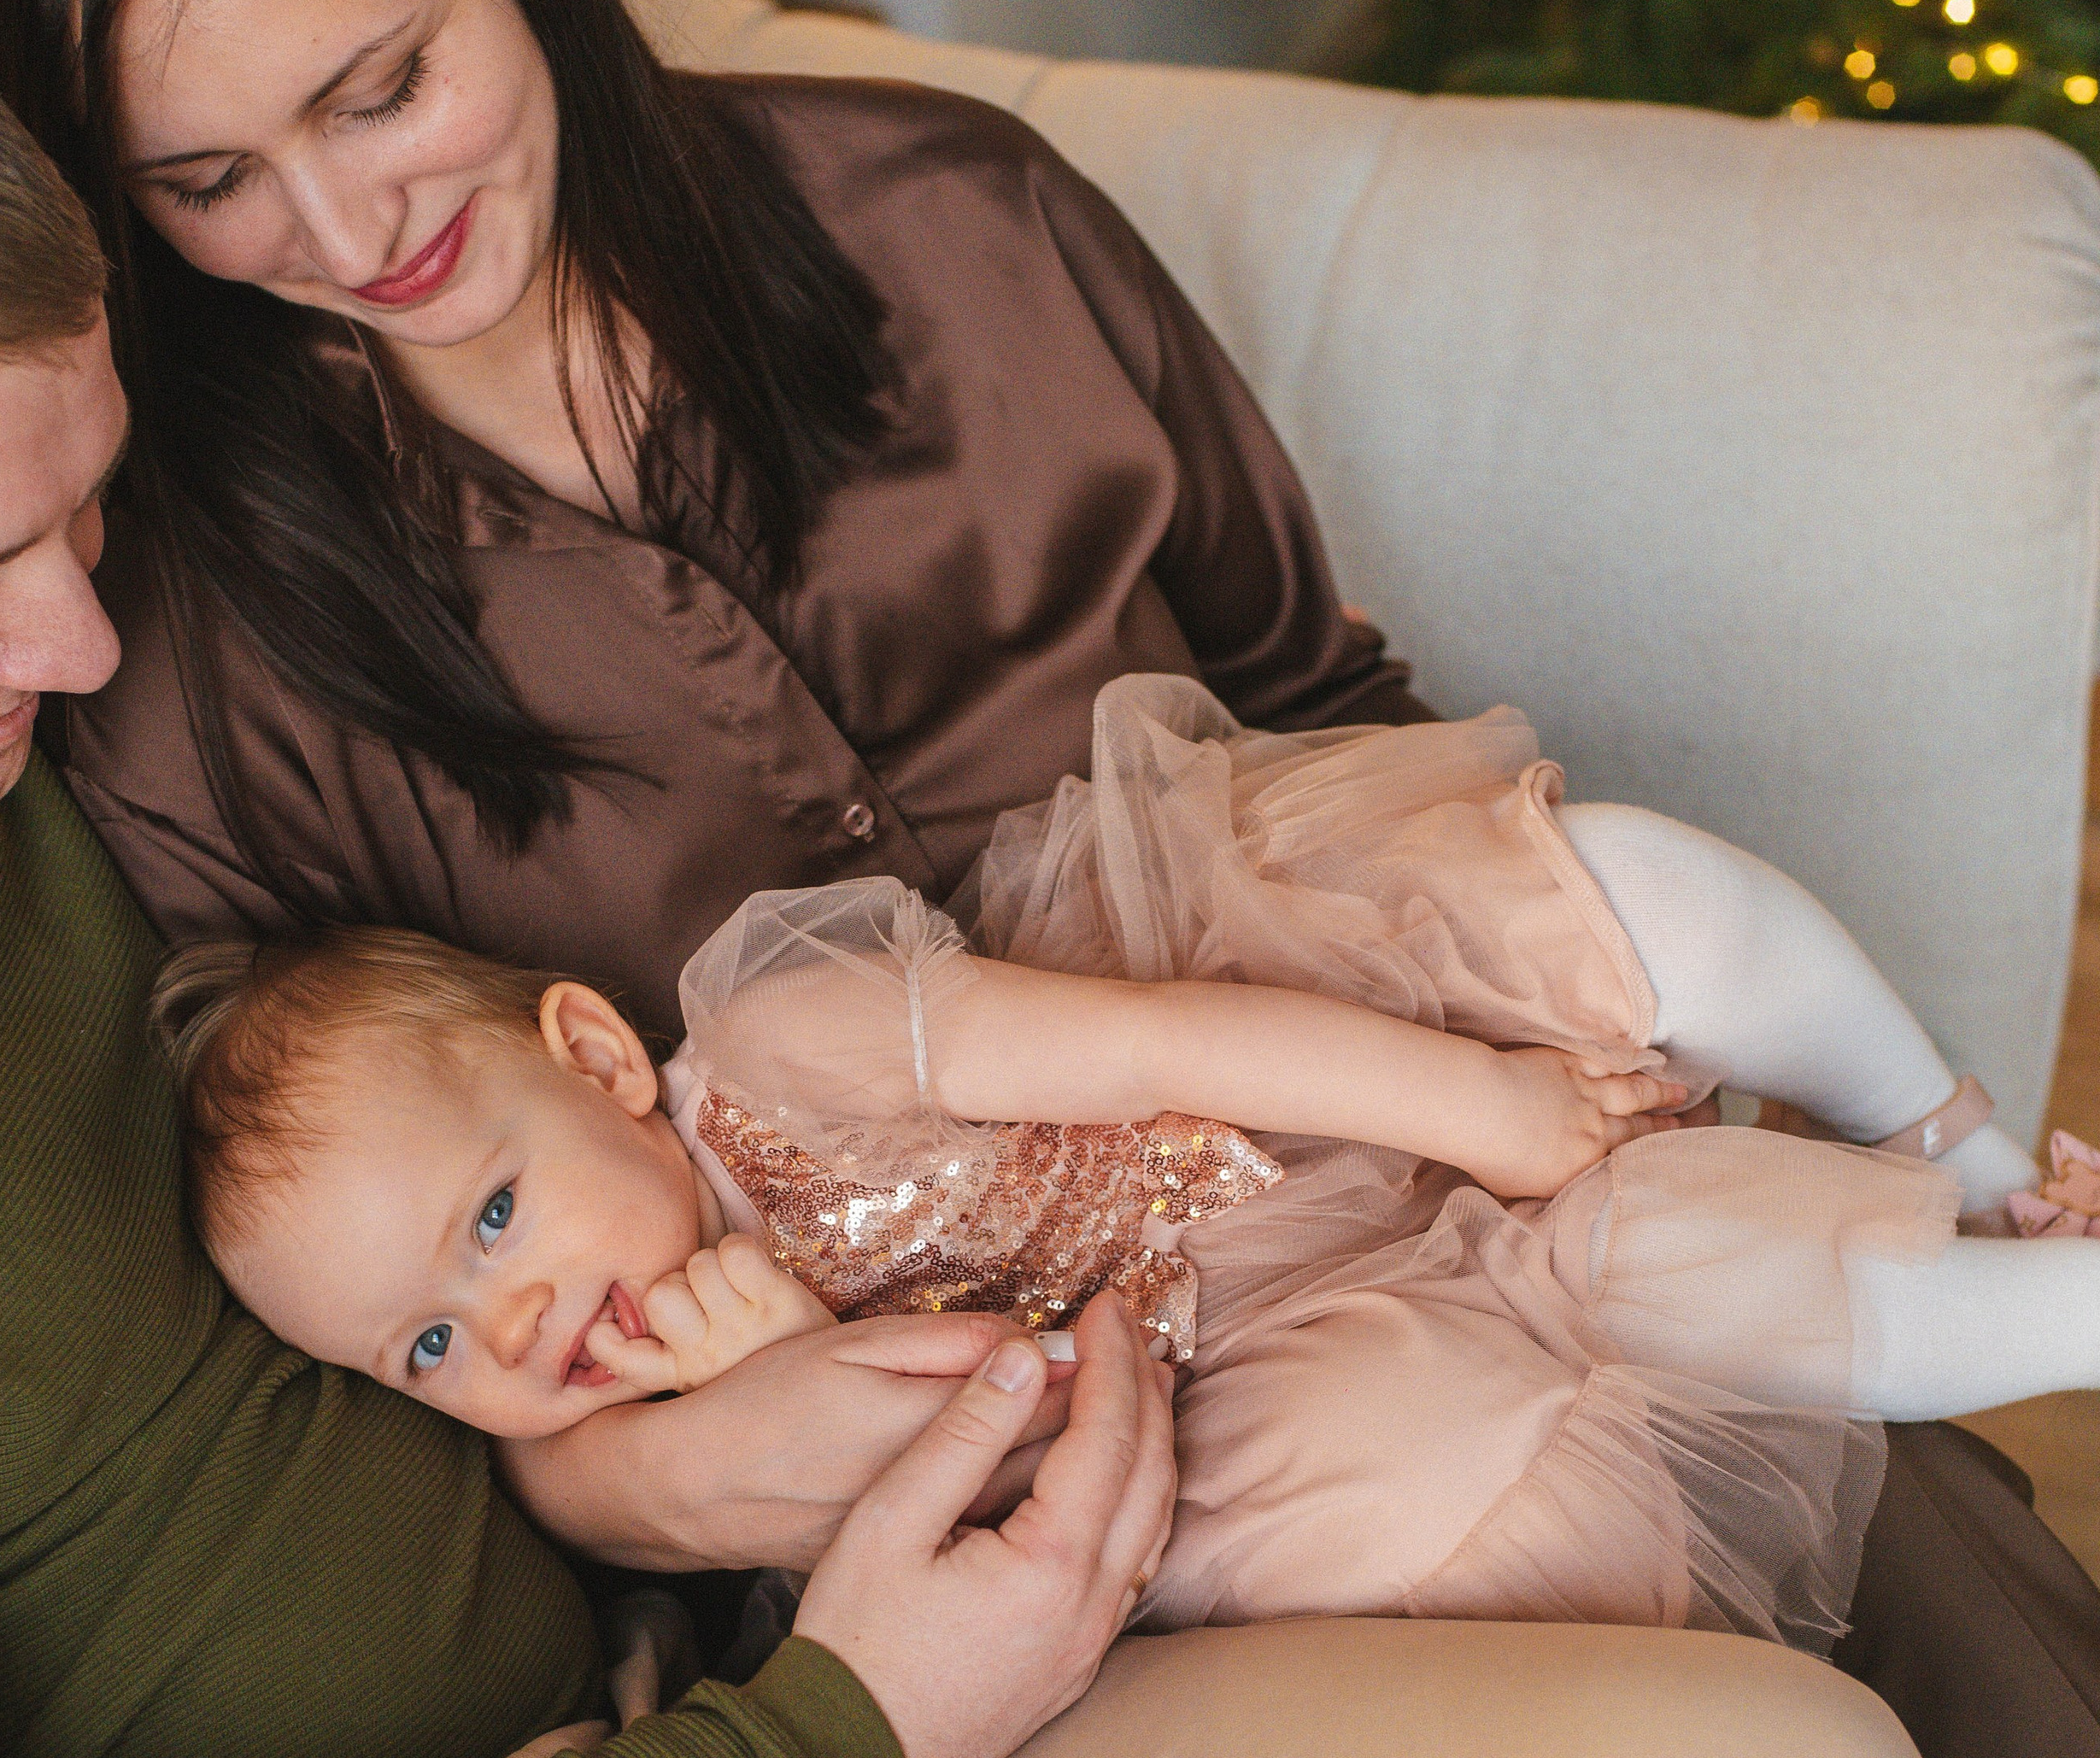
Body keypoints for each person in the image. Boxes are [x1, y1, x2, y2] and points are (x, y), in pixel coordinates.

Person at [0, 0, 2093, 1758]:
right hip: (990, 1501)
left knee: (1937, 1588)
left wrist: (1486, 1076)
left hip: (1401, 1137)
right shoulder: (157, 630)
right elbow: (355, 1239)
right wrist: (672, 1472)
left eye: (383, 84)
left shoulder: (947, 218)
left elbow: (1313, 696)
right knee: (1612, 1619)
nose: (334, 215)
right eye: (203, 180)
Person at [150, 665, 2100, 1662]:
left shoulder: (768, 1046)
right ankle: (2052, 1301)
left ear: (594, 1056)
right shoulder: (653, 1434)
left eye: (492, 1218)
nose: (517, 1320)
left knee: (1602, 905)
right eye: (425, 1346)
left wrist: (1473, 1106)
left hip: (1299, 1071)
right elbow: (999, 1503)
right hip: (1246, 1352)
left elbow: (1157, 1046)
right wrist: (756, 1401)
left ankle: (1955, 1131)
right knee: (1509, 1425)